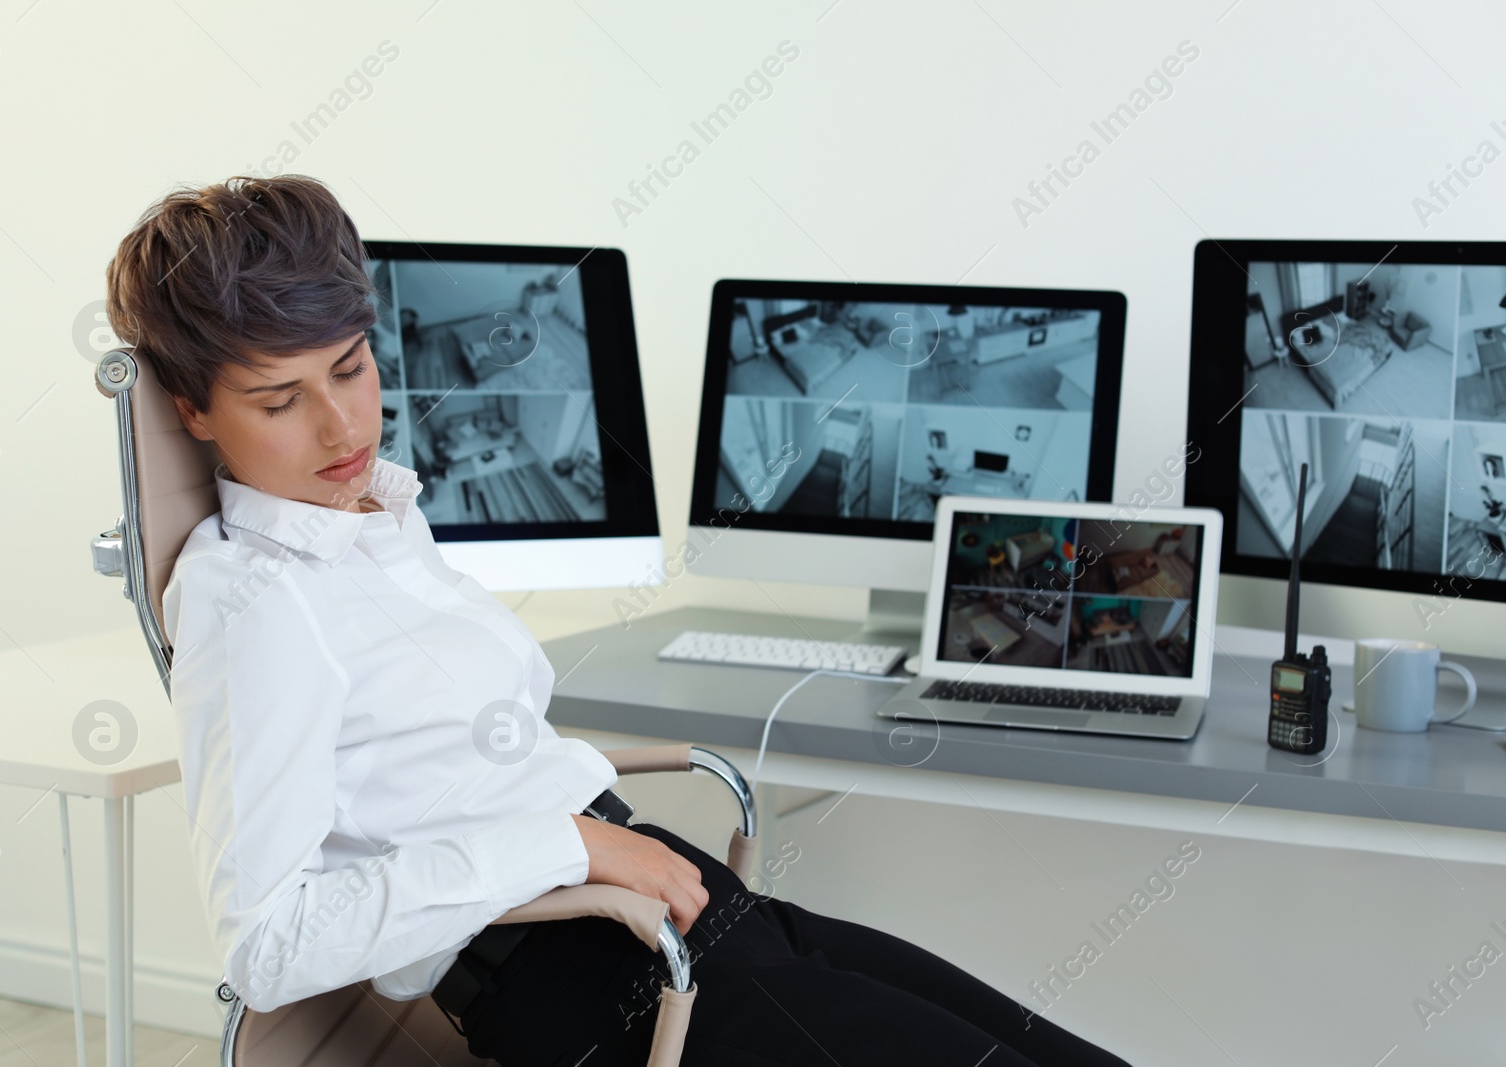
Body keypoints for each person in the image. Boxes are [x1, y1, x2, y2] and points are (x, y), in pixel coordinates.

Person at [104, 174, 1134, 1067]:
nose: (341, 423)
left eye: (351, 366)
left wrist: (588, 838)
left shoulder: (372, 513)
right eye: (278, 399)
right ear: (195, 410)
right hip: (574, 969)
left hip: (654, 898)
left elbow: (443, 768)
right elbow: (268, 943)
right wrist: (566, 843)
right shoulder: (254, 604)